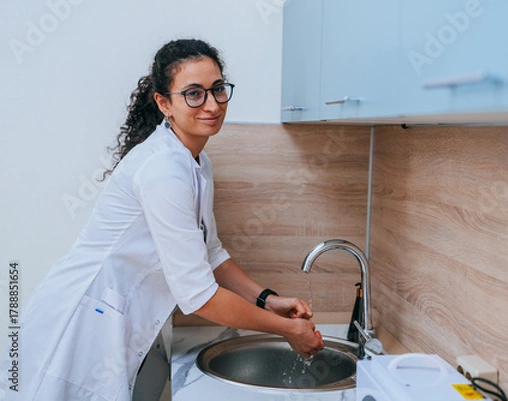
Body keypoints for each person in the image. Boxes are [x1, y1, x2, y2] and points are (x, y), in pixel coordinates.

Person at [2, 39, 324, 401]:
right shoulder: (163, 170)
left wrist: (266, 298)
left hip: (110, 323)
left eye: (218, 89)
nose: (213, 104)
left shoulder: (194, 162)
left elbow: (210, 251)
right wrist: (286, 330)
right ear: (164, 103)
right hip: (77, 327)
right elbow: (200, 297)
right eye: (194, 94)